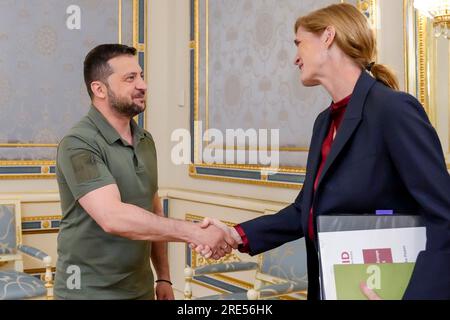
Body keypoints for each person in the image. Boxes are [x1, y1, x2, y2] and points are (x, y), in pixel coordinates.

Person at [193, 3, 450, 300]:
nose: (294, 58)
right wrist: (234, 234)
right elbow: (306, 209)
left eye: (299, 43)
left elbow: (444, 215)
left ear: (328, 36)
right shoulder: (324, 122)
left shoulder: (393, 110)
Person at [54, 44, 237, 300]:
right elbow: (112, 217)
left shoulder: (145, 139)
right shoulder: (78, 144)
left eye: (140, 75)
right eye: (130, 78)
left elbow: (154, 210)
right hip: (88, 292)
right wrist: (195, 231)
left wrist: (163, 276)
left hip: (141, 289)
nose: (143, 85)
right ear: (99, 89)